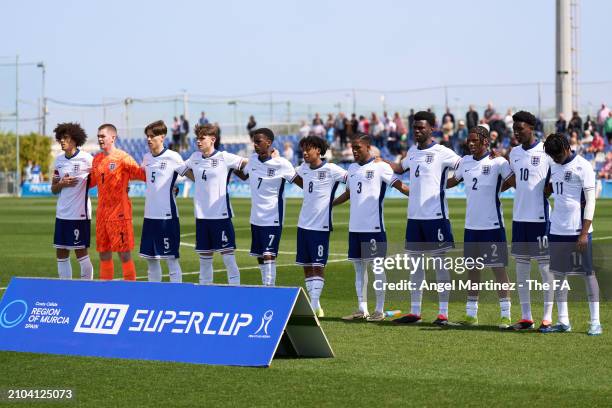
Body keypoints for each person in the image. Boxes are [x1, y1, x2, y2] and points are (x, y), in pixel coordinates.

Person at [383, 111, 461, 326]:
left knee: (439, 265)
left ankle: (443, 313)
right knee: (415, 266)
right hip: (414, 217)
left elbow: (463, 167)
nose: (417, 131)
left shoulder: (442, 152)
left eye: (421, 128)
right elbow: (400, 168)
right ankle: (415, 311)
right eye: (415, 127)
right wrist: (382, 161)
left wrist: (448, 184)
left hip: (436, 216)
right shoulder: (412, 151)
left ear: (432, 128)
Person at [333, 133, 409, 322]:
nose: (354, 151)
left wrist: (418, 195)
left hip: (374, 227)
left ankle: (379, 310)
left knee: (377, 268)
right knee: (359, 270)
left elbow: (400, 186)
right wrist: (330, 204)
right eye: (352, 148)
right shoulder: (351, 168)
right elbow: (349, 193)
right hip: (355, 228)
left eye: (358, 148)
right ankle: (362, 309)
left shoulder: (380, 167)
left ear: (368, 147)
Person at [446, 125, 513, 328]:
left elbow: (513, 180)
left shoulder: (498, 162)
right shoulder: (465, 162)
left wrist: (497, 189)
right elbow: (451, 182)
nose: (471, 143)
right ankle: (471, 315)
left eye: (475, 140)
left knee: (498, 269)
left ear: (485, 141)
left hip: (492, 225)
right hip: (471, 226)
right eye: (469, 140)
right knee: (473, 270)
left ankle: (505, 315)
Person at [542, 133, 602, 336]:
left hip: (578, 231)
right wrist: (547, 189)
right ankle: (563, 321)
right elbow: (550, 190)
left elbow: (590, 201)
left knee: (588, 274)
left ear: (567, 147)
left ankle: (595, 322)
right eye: (553, 156)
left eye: (557, 154)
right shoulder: (553, 165)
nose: (556, 159)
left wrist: (584, 233)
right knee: (559, 276)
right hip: (557, 229)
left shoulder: (583, 166)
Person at [503, 111, 555, 331]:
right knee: (522, 270)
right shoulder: (513, 153)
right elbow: (514, 180)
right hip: (519, 219)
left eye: (520, 128)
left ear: (531, 128)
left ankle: (547, 316)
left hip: (541, 219)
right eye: (514, 129)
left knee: (545, 270)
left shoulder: (547, 152)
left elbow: (556, 179)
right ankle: (526, 316)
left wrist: (549, 189)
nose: (516, 132)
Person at [234, 128, 300, 286]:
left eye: (258, 142)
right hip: (256, 217)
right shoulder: (253, 160)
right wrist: (228, 166)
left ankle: (269, 288)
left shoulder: (282, 163)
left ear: (269, 143)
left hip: (273, 217)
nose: (255, 145)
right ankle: (265, 285)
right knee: (259, 255)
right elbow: (244, 175)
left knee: (269, 254)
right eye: (254, 142)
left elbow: (300, 182)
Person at [183, 124, 246, 285]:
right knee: (204, 262)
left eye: (202, 138)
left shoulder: (224, 157)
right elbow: (181, 169)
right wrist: (195, 178)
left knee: (228, 260)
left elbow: (246, 163)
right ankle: (205, 296)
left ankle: (235, 294)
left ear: (213, 139)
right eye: (197, 138)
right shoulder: (194, 157)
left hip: (221, 216)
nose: (198, 141)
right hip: (202, 217)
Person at [295, 136, 347, 317]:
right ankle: (315, 304)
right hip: (303, 225)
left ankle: (315, 304)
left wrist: (333, 202)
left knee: (318, 265)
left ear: (318, 150)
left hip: (321, 225)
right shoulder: (302, 168)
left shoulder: (332, 169)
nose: (304, 152)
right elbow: (290, 175)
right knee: (306, 266)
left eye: (308, 149)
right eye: (303, 149)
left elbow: (353, 182)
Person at [90, 123, 146, 281]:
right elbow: (91, 181)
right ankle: (105, 290)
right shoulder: (97, 159)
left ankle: (130, 288)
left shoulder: (123, 158)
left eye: (103, 136)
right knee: (103, 252)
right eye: (99, 136)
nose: (100, 139)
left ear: (113, 137)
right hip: (102, 215)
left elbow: (143, 175)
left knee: (124, 253)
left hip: (120, 214)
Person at [139, 120, 186, 283]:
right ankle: (155, 296)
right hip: (149, 215)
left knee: (171, 259)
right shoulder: (146, 158)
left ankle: (177, 296)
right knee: (151, 259)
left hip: (167, 216)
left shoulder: (173, 157)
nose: (149, 139)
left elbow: (188, 176)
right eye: (147, 136)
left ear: (162, 137)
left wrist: (175, 187)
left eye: (152, 136)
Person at [50, 123, 94, 280]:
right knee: (61, 252)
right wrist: (62, 183)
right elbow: (54, 189)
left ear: (75, 140)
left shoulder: (87, 159)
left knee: (80, 252)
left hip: (79, 214)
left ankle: (85, 289)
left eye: (66, 138)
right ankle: (65, 289)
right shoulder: (59, 161)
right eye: (60, 138)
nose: (62, 141)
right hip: (62, 213)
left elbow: (101, 179)